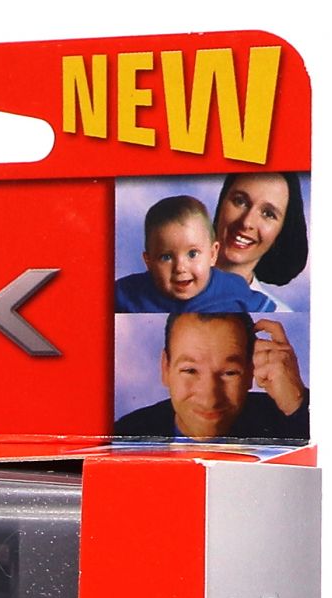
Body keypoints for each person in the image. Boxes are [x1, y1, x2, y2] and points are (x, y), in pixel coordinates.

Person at [113, 312, 307, 440]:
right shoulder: (126, 435)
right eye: (190, 370)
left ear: (250, 372)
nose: (210, 399)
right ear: (166, 368)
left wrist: (296, 404)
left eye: (229, 373)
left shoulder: (288, 419)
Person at [115, 195, 276, 313]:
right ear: (148, 262)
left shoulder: (232, 288)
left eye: (192, 254)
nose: (180, 268)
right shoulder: (127, 294)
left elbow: (268, 315)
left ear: (212, 254)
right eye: (166, 257)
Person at [214, 172, 309, 311]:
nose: (247, 222)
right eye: (240, 202)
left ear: (281, 231)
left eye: (268, 214)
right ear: (222, 202)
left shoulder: (277, 311)